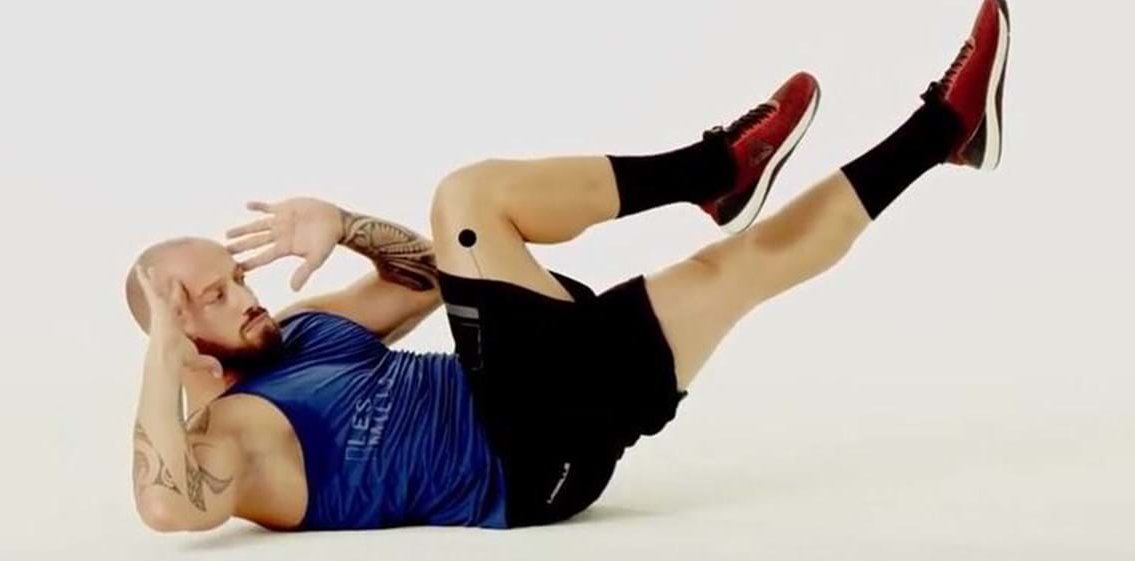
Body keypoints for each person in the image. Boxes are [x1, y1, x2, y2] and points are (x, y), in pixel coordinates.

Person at [124, 0, 1011, 532]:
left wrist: (346, 224)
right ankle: (713, 170)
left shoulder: (304, 336)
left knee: (735, 269)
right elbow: (168, 508)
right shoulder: (229, 439)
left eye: (236, 277)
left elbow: (433, 277)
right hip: (520, 462)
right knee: (467, 195)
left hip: (551, 391)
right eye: (215, 297)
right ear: (181, 341)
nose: (246, 295)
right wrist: (162, 355)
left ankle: (945, 132)